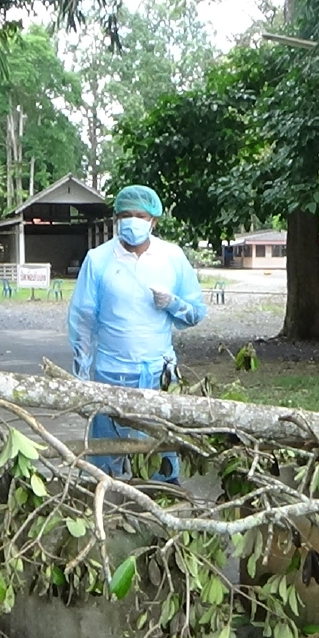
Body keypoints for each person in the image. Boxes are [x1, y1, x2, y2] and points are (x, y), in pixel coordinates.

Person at [67, 185, 206, 482]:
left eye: (140, 215)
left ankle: (163, 506)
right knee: (105, 457)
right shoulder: (98, 259)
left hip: (160, 374)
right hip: (111, 374)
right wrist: (81, 374)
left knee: (161, 450)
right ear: (116, 219)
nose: (133, 222)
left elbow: (196, 313)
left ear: (153, 220)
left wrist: (173, 303)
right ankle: (108, 511)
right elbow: (82, 320)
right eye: (126, 215)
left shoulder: (172, 257)